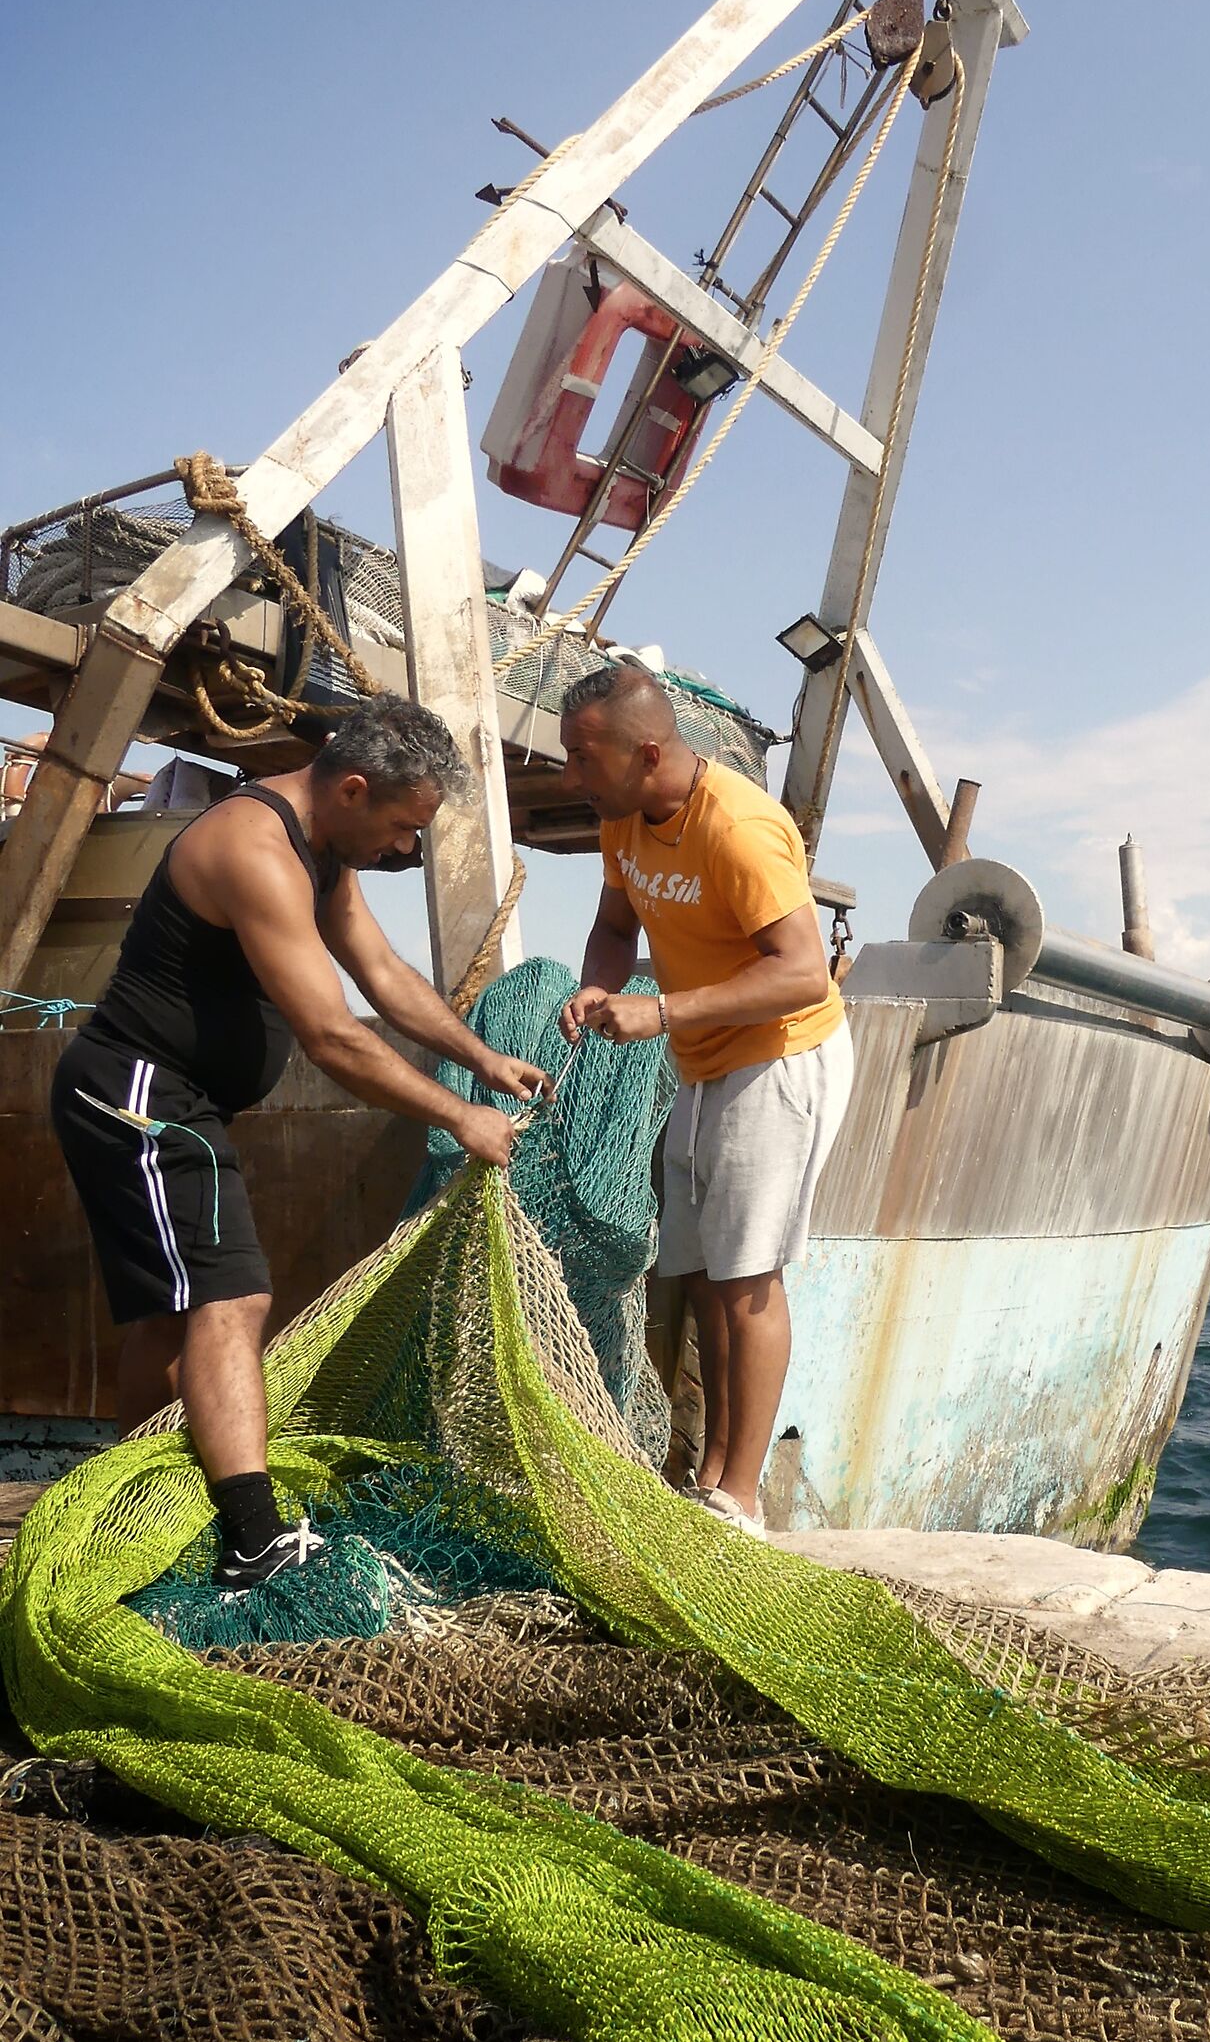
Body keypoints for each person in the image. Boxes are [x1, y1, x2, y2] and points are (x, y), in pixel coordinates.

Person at [50, 695, 548, 1587]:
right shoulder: (255, 848)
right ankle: (252, 1536)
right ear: (353, 790)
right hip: (141, 1096)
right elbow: (333, 1035)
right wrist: (455, 1114)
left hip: (172, 1099)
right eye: (402, 829)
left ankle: (116, 1508)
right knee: (232, 1300)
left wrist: (481, 1059)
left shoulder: (323, 846)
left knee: (172, 1319)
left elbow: (382, 973)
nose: (405, 850)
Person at [557, 662, 853, 1537]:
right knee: (707, 1277)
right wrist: (597, 988)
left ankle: (742, 1500)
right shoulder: (624, 820)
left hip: (780, 1055)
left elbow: (801, 973)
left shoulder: (741, 828)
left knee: (748, 1277)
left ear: (647, 752)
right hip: (704, 1061)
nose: (571, 774)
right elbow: (616, 928)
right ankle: (715, 1479)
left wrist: (663, 1010)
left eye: (582, 756)